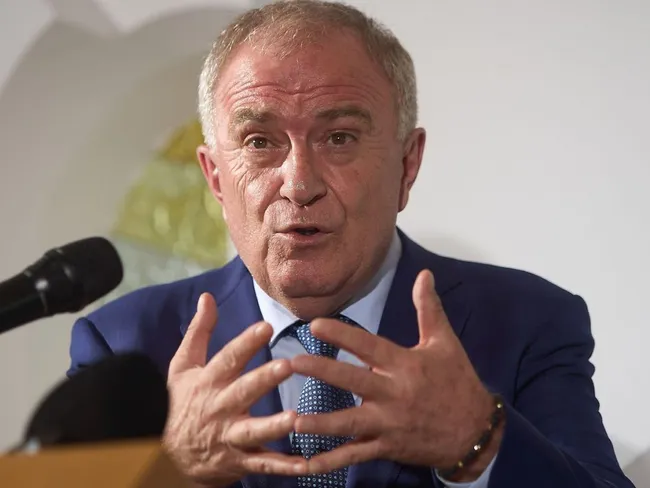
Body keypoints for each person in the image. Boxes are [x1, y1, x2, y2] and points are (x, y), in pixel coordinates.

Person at [68, 1, 634, 487]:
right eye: (259, 141)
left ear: (407, 165)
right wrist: (171, 470)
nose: (299, 183)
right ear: (215, 177)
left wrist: (477, 440)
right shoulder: (124, 345)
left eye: (339, 137)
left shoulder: (527, 322)